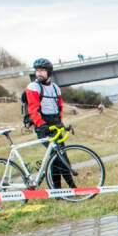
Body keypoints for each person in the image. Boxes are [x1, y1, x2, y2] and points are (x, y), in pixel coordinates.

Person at [26, 58, 73, 188]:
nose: (39, 73)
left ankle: (66, 189)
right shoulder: (33, 87)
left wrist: (61, 123)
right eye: (37, 71)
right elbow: (32, 109)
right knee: (56, 158)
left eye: (42, 71)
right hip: (43, 126)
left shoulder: (55, 88)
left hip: (55, 125)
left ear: (49, 72)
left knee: (62, 156)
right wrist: (41, 125)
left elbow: (59, 107)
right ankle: (64, 189)